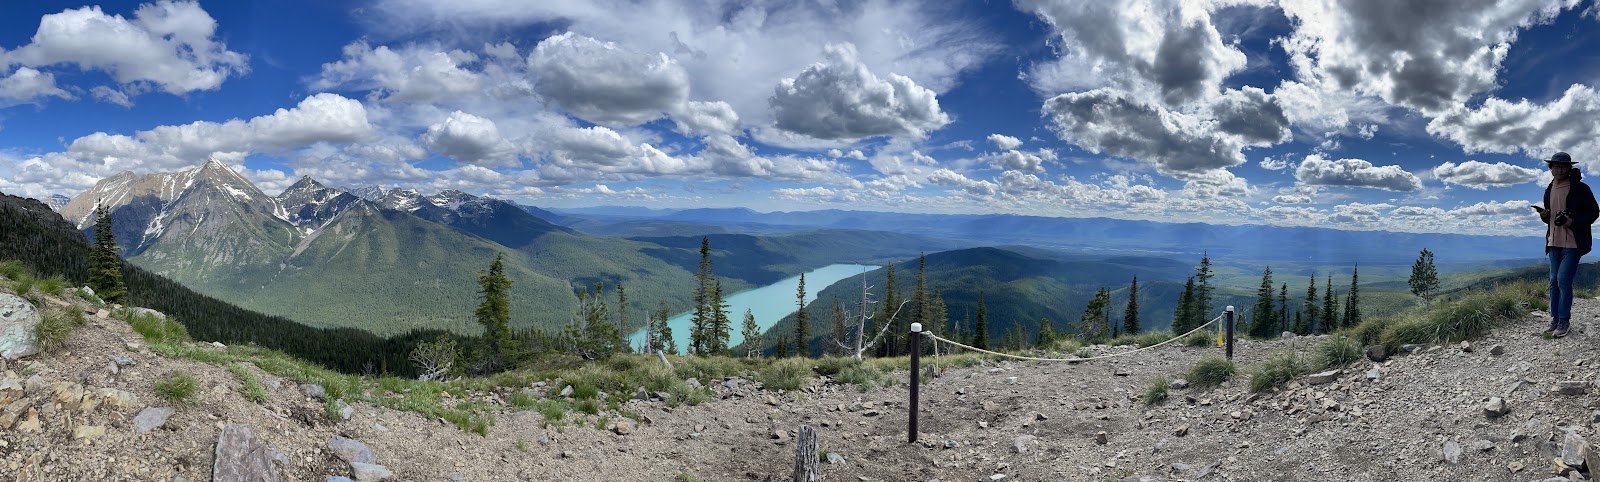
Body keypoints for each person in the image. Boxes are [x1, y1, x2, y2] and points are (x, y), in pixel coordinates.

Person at [1535, 152, 1598, 338]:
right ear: (1550, 168)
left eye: (1563, 166)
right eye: (1556, 166)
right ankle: (1554, 319)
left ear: (1569, 168)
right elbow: (1552, 219)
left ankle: (1564, 320)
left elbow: (1594, 212)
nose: (1559, 169)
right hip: (1553, 242)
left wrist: (1573, 222)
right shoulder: (1549, 188)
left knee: (1563, 280)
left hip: (1573, 243)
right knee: (1553, 282)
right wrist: (1545, 216)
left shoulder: (1580, 188)